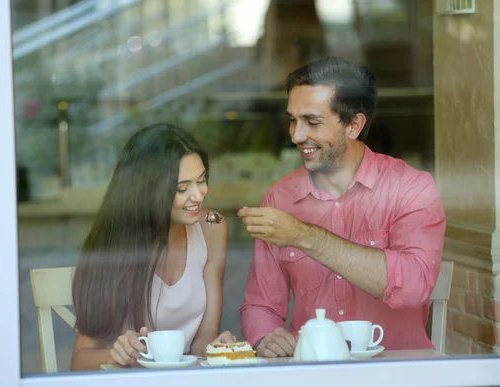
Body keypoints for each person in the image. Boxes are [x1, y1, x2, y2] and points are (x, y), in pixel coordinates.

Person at [238, 56, 446, 357]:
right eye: (293, 119)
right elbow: (261, 305)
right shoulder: (279, 197)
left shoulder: (411, 189)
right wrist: (266, 336)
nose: (296, 135)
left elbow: (414, 286)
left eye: (312, 121)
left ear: (354, 125)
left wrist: (303, 236)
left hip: (399, 377)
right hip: (313, 375)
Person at [70, 123, 234, 370]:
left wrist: (216, 347)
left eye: (201, 181)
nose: (199, 195)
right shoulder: (114, 246)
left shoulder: (213, 227)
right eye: (182, 188)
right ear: (148, 191)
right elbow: (79, 362)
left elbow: (203, 339)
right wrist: (114, 354)